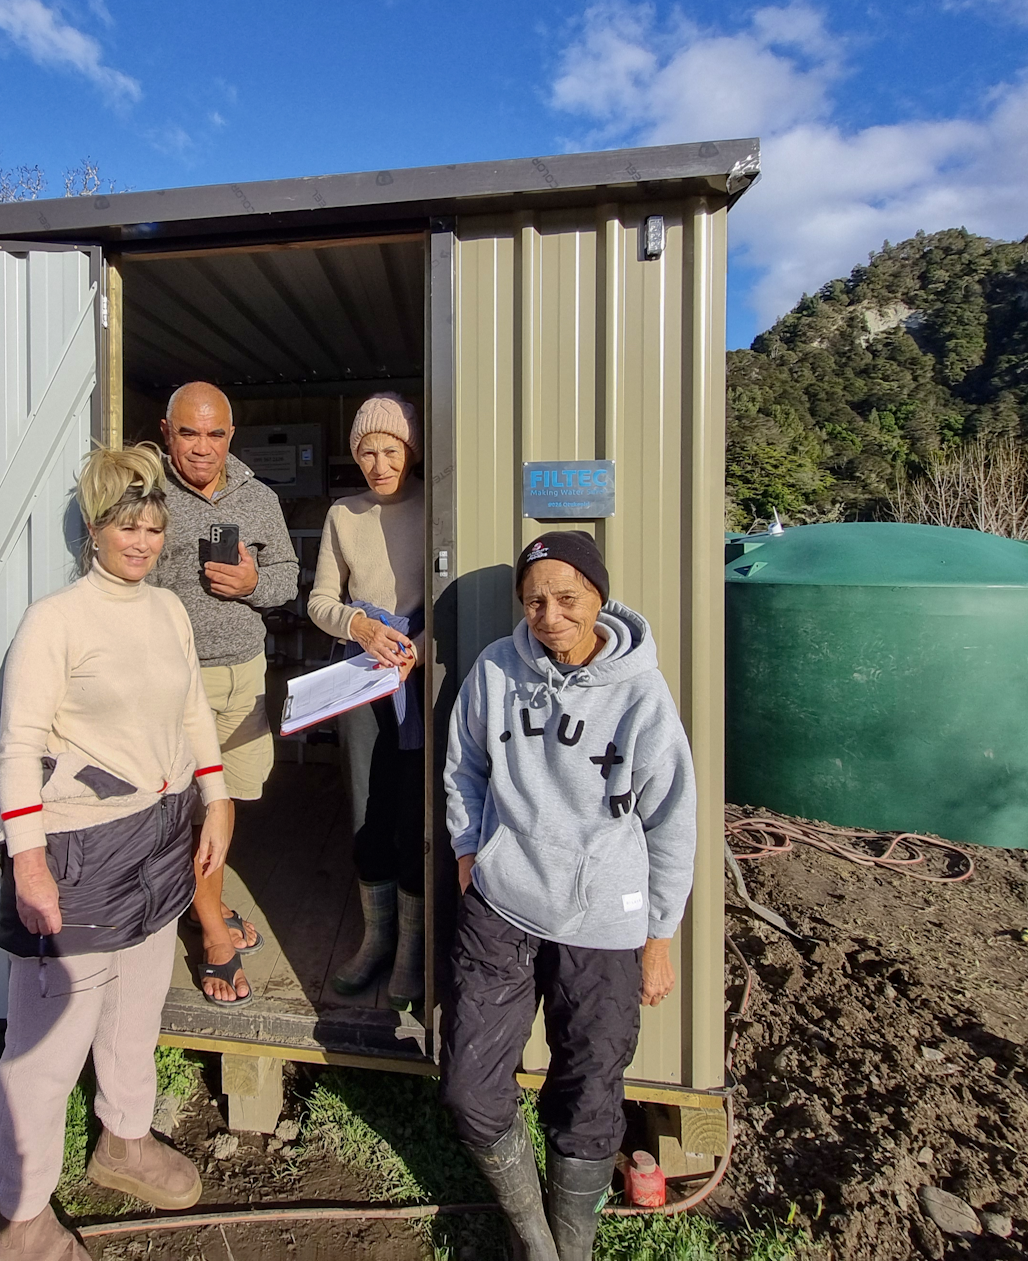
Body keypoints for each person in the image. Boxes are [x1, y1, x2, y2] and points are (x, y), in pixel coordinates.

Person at [0, 445, 233, 1261]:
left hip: (160, 831)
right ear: (94, 528)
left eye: (154, 527)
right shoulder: (56, 620)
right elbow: (18, 746)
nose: (142, 542)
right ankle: (19, 1220)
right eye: (128, 527)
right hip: (80, 844)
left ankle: (124, 1138)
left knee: (137, 1006)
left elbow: (193, 710)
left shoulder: (168, 611)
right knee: (48, 1043)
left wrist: (217, 795)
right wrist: (29, 860)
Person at [440, 531, 699, 1261]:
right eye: (534, 602)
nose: (550, 616)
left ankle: (572, 1241)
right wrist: (469, 851)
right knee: (469, 1088)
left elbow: (672, 819)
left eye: (567, 598)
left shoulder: (641, 693)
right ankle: (533, 1238)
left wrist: (658, 937)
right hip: (502, 903)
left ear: (599, 597)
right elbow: (464, 765)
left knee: (589, 1091)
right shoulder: (497, 669)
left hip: (605, 923)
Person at [152, 382, 300, 1007]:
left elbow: (288, 578)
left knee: (226, 798)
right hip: (170, 681)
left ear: (231, 435)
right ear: (167, 432)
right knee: (182, 804)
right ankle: (212, 929)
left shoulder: (258, 496)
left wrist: (252, 584)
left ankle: (201, 901)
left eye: (215, 434)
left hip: (242, 676)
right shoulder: (146, 493)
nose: (202, 447)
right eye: (189, 433)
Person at [307, 392, 426, 1009]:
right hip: (360, 675)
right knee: (365, 808)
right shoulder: (342, 515)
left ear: (412, 450)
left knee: (414, 808)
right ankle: (375, 938)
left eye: (391, 450)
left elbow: (449, 592)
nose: (379, 465)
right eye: (367, 453)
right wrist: (358, 625)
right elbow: (320, 600)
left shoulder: (436, 505)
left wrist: (418, 650)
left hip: (416, 677)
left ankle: (412, 947)